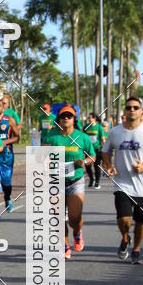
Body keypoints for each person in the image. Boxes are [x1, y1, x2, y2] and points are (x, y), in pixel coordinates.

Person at [101, 97, 143, 264]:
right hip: (122, 184)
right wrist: (108, 165)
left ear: (141, 111)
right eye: (129, 107)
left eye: (136, 107)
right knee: (123, 219)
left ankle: (136, 249)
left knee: (141, 222)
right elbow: (105, 151)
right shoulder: (115, 132)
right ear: (125, 111)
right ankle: (125, 238)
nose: (132, 110)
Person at [42, 105, 95, 258]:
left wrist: (84, 162)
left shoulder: (82, 137)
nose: (66, 118)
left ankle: (77, 233)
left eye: (69, 116)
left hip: (75, 181)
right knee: (58, 217)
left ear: (74, 119)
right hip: (55, 181)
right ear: (58, 118)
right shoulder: (51, 136)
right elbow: (42, 156)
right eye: (63, 116)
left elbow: (92, 155)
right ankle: (65, 245)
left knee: (74, 218)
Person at [0, 98, 19, 217]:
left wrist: (6, 142)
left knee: (6, 184)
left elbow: (17, 137)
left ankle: (7, 197)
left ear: (3, 108)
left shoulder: (9, 120)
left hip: (6, 157)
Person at [83, 112, 106, 189]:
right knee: (88, 166)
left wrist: (105, 147)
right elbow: (82, 138)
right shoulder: (86, 127)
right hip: (88, 149)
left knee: (97, 166)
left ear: (94, 118)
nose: (89, 119)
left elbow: (102, 138)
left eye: (90, 118)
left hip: (97, 149)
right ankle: (91, 179)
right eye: (88, 118)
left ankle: (97, 181)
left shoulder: (99, 127)